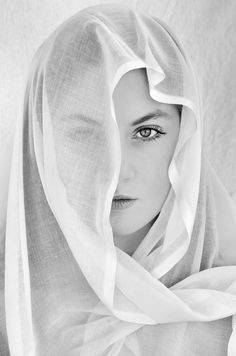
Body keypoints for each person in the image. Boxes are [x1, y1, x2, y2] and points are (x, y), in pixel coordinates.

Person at [1, 3, 236, 355]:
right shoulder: (13, 312)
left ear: (185, 138)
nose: (117, 170)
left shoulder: (225, 312)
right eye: (85, 134)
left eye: (147, 132)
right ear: (43, 145)